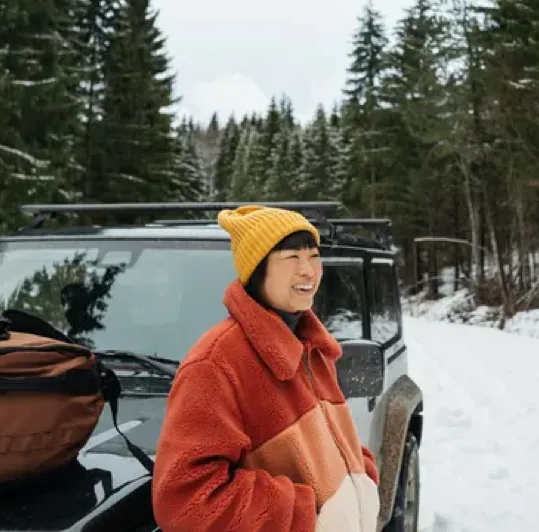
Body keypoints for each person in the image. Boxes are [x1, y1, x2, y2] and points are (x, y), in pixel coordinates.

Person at [151, 205, 380, 531]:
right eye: (291, 259)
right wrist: (308, 514)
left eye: (314, 256)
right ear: (257, 270)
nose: (309, 271)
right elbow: (186, 499)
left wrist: (362, 482)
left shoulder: (311, 348)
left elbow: (333, 445)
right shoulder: (216, 364)